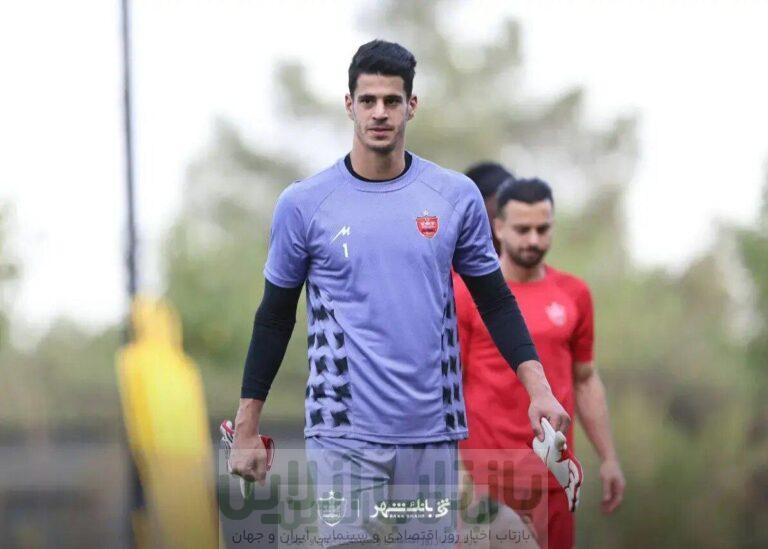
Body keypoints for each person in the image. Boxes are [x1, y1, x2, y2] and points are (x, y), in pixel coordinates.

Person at [228, 40, 569, 547]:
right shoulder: (304, 204)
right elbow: (275, 316)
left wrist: (539, 390)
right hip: (341, 431)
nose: (380, 113)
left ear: (412, 105)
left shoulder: (454, 197)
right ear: (349, 105)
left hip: (431, 432)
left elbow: (496, 300)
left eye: (392, 100)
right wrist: (246, 427)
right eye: (368, 101)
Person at [455, 165, 626, 548]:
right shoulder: (466, 294)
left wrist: (608, 457)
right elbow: (446, 386)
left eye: (542, 229)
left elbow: (585, 380)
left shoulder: (574, 294)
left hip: (553, 479)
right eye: (522, 229)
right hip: (486, 483)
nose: (533, 239)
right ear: (498, 227)